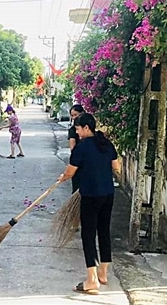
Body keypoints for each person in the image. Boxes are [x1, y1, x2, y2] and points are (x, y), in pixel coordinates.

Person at [56, 113, 121, 295]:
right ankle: (103, 274)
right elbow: (117, 167)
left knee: (88, 235)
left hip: (91, 196)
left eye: (77, 128)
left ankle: (91, 280)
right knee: (104, 231)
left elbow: (70, 171)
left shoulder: (81, 148)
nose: (76, 132)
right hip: (108, 194)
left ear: (86, 128)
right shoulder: (106, 144)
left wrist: (63, 177)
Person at [68, 104, 86, 193]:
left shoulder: (88, 129)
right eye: (72, 115)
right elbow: (73, 148)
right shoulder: (72, 130)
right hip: (79, 164)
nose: (74, 117)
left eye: (76, 114)